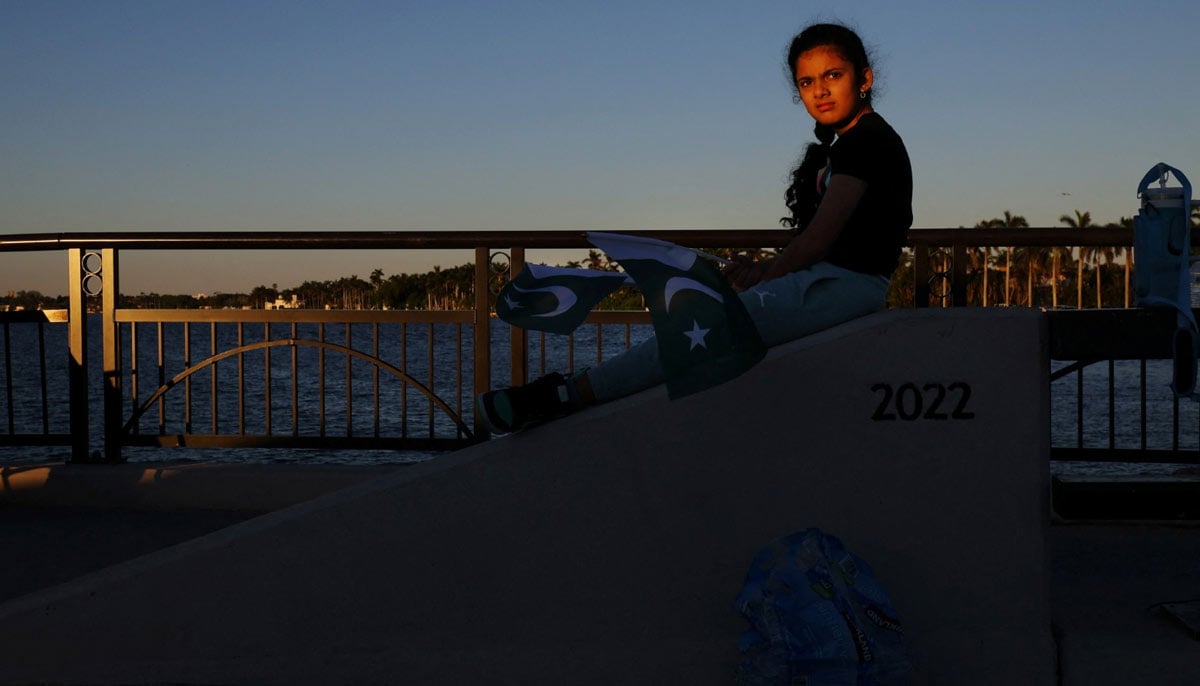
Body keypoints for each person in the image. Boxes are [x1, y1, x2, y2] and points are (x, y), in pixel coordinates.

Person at [477, 22, 912, 434]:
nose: (820, 90)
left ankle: (562, 394)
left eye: (832, 75)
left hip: (843, 286)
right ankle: (567, 389)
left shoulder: (866, 142)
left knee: (702, 325)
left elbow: (821, 237)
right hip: (830, 283)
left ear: (864, 78)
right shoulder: (854, 143)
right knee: (698, 317)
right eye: (807, 82)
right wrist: (764, 271)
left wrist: (767, 273)